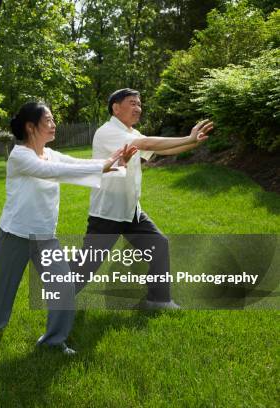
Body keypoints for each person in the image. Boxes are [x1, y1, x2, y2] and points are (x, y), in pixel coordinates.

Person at [0, 101, 137, 355]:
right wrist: (104, 165)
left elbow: (75, 165)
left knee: (64, 286)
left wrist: (115, 164)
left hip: (44, 236)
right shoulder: (19, 156)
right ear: (30, 127)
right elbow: (54, 172)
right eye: (47, 120)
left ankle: (53, 340)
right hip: (15, 234)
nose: (53, 124)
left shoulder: (50, 153)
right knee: (2, 287)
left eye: (52, 119)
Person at [75, 88, 214, 309]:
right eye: (132, 103)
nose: (138, 108)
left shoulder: (133, 133)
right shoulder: (108, 131)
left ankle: (158, 300)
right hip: (108, 212)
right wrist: (188, 137)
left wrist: (193, 142)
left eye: (139, 103)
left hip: (131, 210)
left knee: (159, 245)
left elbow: (159, 150)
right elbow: (147, 144)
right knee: (87, 265)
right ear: (116, 107)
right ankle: (59, 296)